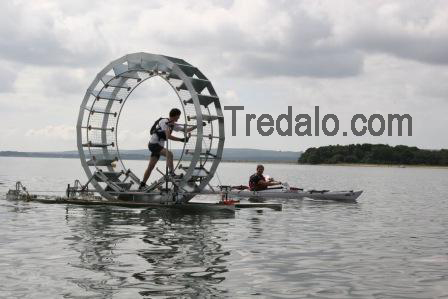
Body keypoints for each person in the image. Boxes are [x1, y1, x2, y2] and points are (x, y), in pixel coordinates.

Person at [139, 108, 198, 190]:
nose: (178, 118)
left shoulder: (173, 124)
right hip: (153, 144)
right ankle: (172, 173)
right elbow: (168, 136)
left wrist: (197, 125)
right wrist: (181, 140)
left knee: (151, 167)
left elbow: (186, 130)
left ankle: (142, 184)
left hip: (159, 146)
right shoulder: (164, 122)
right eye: (178, 116)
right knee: (169, 154)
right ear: (174, 116)